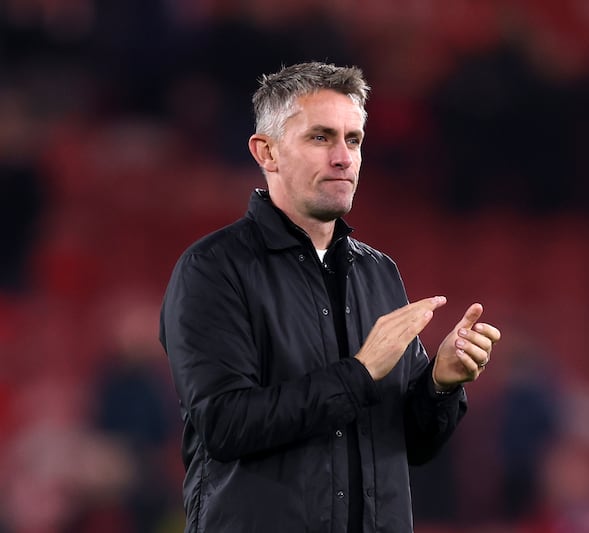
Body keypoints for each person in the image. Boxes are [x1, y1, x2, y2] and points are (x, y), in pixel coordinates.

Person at [159, 62, 501, 533]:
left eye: (354, 140)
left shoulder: (379, 273)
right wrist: (359, 374)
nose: (343, 157)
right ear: (267, 152)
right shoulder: (213, 270)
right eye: (320, 138)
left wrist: (441, 385)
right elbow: (224, 425)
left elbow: (414, 445)